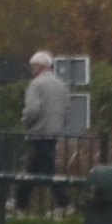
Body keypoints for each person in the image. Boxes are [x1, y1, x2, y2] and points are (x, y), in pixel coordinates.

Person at [17, 50, 84, 184]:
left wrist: (26, 121)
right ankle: (21, 200)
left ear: (40, 66)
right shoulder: (61, 85)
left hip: (38, 132)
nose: (31, 69)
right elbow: (66, 109)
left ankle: (64, 201)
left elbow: (32, 109)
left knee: (48, 168)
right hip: (54, 132)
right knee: (35, 166)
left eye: (33, 66)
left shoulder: (36, 84)